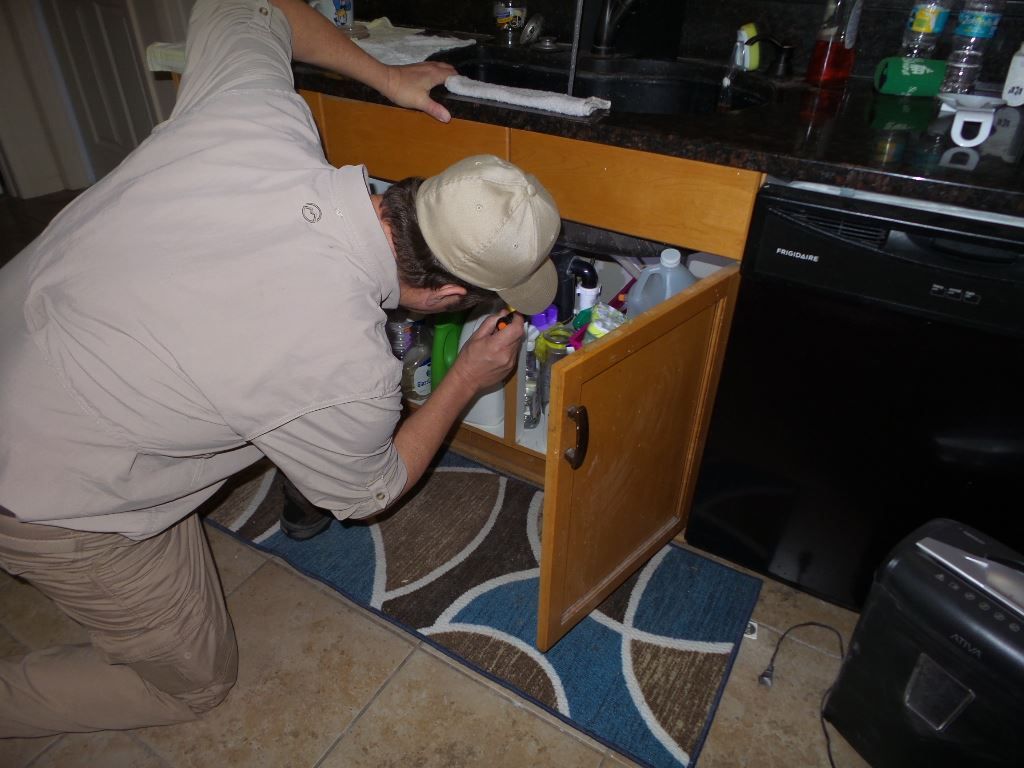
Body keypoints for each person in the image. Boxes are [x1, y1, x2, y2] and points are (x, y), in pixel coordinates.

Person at [0, 0, 560, 737]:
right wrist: (464, 380)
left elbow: (247, 4)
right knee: (191, 683)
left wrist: (386, 79)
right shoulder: (345, 369)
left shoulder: (259, 120)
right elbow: (369, 491)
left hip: (23, 341)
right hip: (43, 483)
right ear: (452, 295)